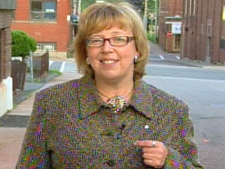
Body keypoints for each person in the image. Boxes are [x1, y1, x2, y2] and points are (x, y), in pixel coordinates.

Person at [16, 2, 204, 169]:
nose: (107, 48)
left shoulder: (172, 110)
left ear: (137, 48)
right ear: (86, 52)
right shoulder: (52, 103)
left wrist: (169, 161)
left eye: (119, 39)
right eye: (96, 40)